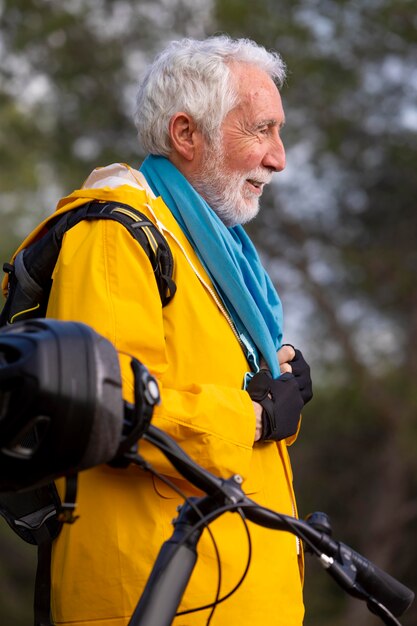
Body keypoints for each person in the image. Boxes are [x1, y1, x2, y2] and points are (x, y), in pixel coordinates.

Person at [46, 36, 313, 626]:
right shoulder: (115, 232)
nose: (280, 158)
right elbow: (106, 411)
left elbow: (201, 392)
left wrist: (279, 383)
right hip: (153, 604)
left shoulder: (208, 251)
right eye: (261, 130)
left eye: (279, 131)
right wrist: (259, 417)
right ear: (186, 134)